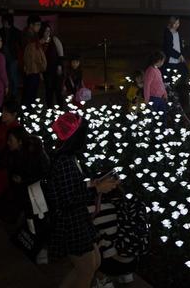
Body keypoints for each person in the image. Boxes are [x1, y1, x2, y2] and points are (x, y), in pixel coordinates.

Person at [46, 112, 119, 288]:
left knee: (93, 263)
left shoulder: (68, 157)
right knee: (86, 270)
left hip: (78, 219)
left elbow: (70, 188)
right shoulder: (64, 161)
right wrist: (96, 190)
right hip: (71, 223)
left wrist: (91, 185)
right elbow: (67, 199)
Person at [0, 126, 49, 224]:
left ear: (20, 142)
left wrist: (23, 181)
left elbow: (43, 175)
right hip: (21, 186)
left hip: (35, 190)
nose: (8, 143)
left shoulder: (34, 153)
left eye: (11, 140)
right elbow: (0, 163)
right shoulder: (13, 152)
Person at [0, 13, 23, 98]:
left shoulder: (16, 32)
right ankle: (8, 93)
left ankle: (14, 93)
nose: (3, 23)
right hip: (3, 56)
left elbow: (20, 45)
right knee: (6, 75)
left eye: (4, 21)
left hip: (13, 56)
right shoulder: (1, 31)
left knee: (13, 76)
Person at [41, 22, 65, 107]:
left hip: (56, 68)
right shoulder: (40, 42)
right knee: (49, 91)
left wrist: (59, 66)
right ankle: (50, 109)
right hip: (46, 70)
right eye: (46, 31)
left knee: (58, 90)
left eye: (49, 31)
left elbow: (61, 54)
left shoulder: (54, 39)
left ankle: (60, 109)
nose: (47, 33)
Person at [22, 23, 47, 105]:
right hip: (34, 71)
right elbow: (38, 59)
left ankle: (26, 109)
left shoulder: (29, 45)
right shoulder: (33, 46)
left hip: (29, 71)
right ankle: (28, 110)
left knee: (28, 93)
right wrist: (42, 69)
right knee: (31, 95)